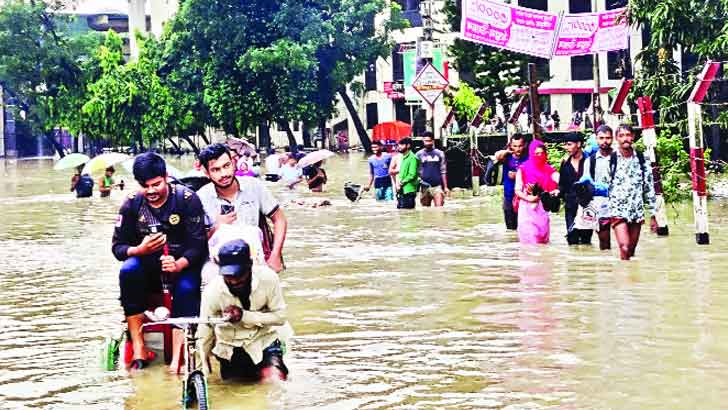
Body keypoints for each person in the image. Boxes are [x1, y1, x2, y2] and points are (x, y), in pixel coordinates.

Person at [112, 152, 207, 370]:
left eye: (156, 184)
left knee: (186, 288)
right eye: (146, 186)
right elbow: (117, 248)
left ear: (166, 177)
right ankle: (138, 347)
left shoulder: (187, 200)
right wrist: (139, 249)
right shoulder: (131, 205)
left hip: (183, 266)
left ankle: (177, 361)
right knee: (128, 270)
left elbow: (198, 246)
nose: (151, 191)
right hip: (148, 269)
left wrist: (179, 263)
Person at [198, 239, 292, 381]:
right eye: (229, 276)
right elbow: (205, 330)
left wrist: (244, 316)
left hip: (264, 342)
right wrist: (201, 367)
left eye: (239, 274)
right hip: (230, 350)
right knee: (237, 395)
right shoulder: (212, 292)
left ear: (250, 265)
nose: (234, 281)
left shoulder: (268, 279)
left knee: (275, 383)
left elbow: (280, 317)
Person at [196, 143, 288, 273]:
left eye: (226, 166)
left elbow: (279, 219)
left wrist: (275, 255)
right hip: (218, 265)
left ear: (234, 163)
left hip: (255, 259)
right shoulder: (200, 198)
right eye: (216, 170)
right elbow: (194, 242)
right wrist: (215, 227)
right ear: (206, 172)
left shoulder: (254, 186)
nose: (224, 174)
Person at [609, 124, 657, 260]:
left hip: (636, 210)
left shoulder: (642, 159)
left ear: (633, 137)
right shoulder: (611, 160)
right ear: (616, 138)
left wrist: (653, 214)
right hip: (618, 210)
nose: (625, 138)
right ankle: (624, 279)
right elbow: (604, 186)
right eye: (621, 135)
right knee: (624, 247)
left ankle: (630, 278)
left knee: (630, 250)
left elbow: (649, 187)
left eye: (628, 135)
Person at [515, 140, 559, 244]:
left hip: (542, 207)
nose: (539, 156)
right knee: (530, 240)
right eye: (536, 153)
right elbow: (517, 190)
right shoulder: (523, 169)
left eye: (541, 153)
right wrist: (528, 198)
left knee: (542, 239)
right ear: (531, 153)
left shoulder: (549, 170)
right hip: (527, 208)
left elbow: (560, 181)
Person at [580, 125, 615, 250]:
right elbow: (586, 183)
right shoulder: (590, 161)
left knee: (625, 243)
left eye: (608, 138)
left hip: (620, 203)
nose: (604, 141)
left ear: (613, 139)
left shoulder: (619, 157)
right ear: (596, 139)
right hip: (601, 206)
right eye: (601, 138)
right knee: (605, 245)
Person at [559, 133, 593, 245]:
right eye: (566, 145)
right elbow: (562, 186)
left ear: (578, 144)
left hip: (587, 208)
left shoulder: (590, 162)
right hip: (570, 208)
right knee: (572, 240)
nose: (566, 148)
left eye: (569, 144)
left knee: (586, 242)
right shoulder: (565, 164)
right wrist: (556, 192)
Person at [494, 134, 528, 230]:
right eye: (515, 146)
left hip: (524, 198)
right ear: (510, 146)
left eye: (520, 146)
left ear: (524, 145)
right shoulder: (506, 157)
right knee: (511, 230)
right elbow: (497, 156)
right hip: (509, 197)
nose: (518, 149)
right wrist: (508, 151)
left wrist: (518, 175)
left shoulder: (528, 158)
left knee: (524, 228)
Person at [415, 132, 449, 207]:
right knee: (425, 211)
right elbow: (416, 171)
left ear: (433, 141)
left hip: (437, 186)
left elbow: (443, 171)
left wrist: (446, 187)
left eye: (429, 141)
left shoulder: (440, 153)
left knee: (439, 210)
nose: (427, 143)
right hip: (424, 186)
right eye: (426, 141)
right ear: (423, 141)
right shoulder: (418, 155)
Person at [395, 137, 419, 209]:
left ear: (408, 146)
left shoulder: (413, 158)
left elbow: (412, 174)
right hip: (402, 190)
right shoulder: (403, 157)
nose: (399, 147)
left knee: (408, 215)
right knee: (402, 213)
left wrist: (401, 183)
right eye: (399, 145)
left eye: (401, 145)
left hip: (409, 190)